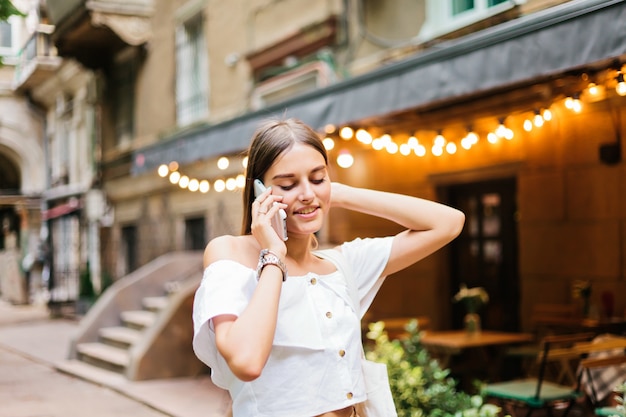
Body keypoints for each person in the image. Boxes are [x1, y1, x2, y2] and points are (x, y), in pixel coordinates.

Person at [192, 118, 465, 417]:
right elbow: (246, 361)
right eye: (288, 184)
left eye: (318, 178)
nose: (307, 193)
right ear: (260, 192)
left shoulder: (342, 264)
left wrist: (337, 194)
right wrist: (274, 254)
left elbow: (448, 223)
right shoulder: (229, 253)